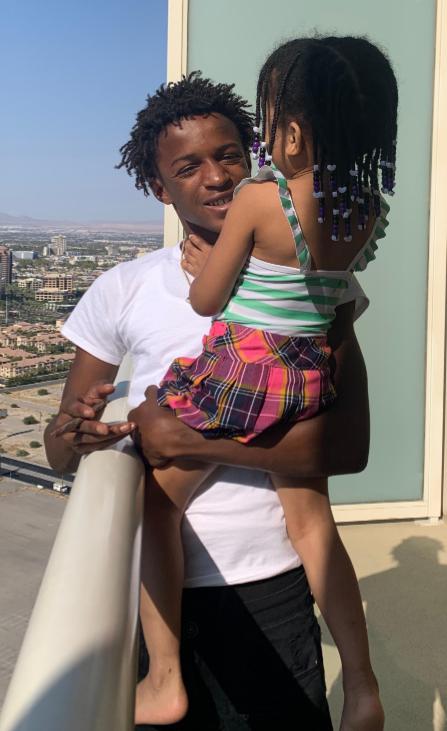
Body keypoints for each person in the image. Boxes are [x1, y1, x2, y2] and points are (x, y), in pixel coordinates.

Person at [45, 70, 372, 731]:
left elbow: (347, 446)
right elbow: (58, 449)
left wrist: (186, 439)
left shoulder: (314, 279)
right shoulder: (123, 288)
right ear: (157, 187)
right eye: (188, 167)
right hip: (149, 600)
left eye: (228, 156)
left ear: (253, 157)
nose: (216, 177)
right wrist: (75, 434)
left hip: (273, 590)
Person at [124, 36, 395, 730]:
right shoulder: (365, 208)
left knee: (156, 503)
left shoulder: (259, 198)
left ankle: (163, 675)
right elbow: (321, 297)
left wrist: (216, 264)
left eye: (267, 122)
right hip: (305, 376)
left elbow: (206, 302)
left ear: (292, 132)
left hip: (241, 372)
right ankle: (361, 683)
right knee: (312, 523)